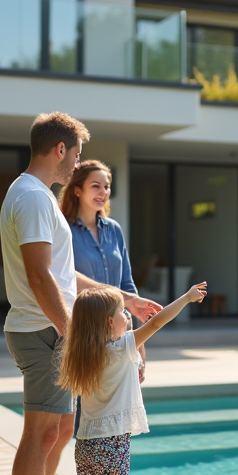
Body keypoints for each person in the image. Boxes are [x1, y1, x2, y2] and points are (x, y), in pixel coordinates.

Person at [0, 111, 161, 475]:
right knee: (41, 432)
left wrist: (124, 298)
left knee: (60, 429)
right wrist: (72, 334)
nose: (77, 165)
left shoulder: (38, 197)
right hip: (42, 329)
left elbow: (59, 272)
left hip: (46, 327)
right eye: (77, 156)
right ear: (60, 150)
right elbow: (37, 276)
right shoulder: (32, 197)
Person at [59, 281, 208, 475]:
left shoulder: (84, 354)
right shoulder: (121, 347)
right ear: (108, 322)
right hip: (112, 443)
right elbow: (161, 320)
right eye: (122, 312)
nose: (127, 317)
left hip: (86, 442)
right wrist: (188, 298)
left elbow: (142, 335)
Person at [60, 160, 147, 382]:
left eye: (107, 186)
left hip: (119, 334)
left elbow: (127, 286)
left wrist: (139, 343)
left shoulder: (114, 229)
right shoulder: (63, 229)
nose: (103, 192)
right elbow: (63, 279)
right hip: (83, 334)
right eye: (96, 186)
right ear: (77, 190)